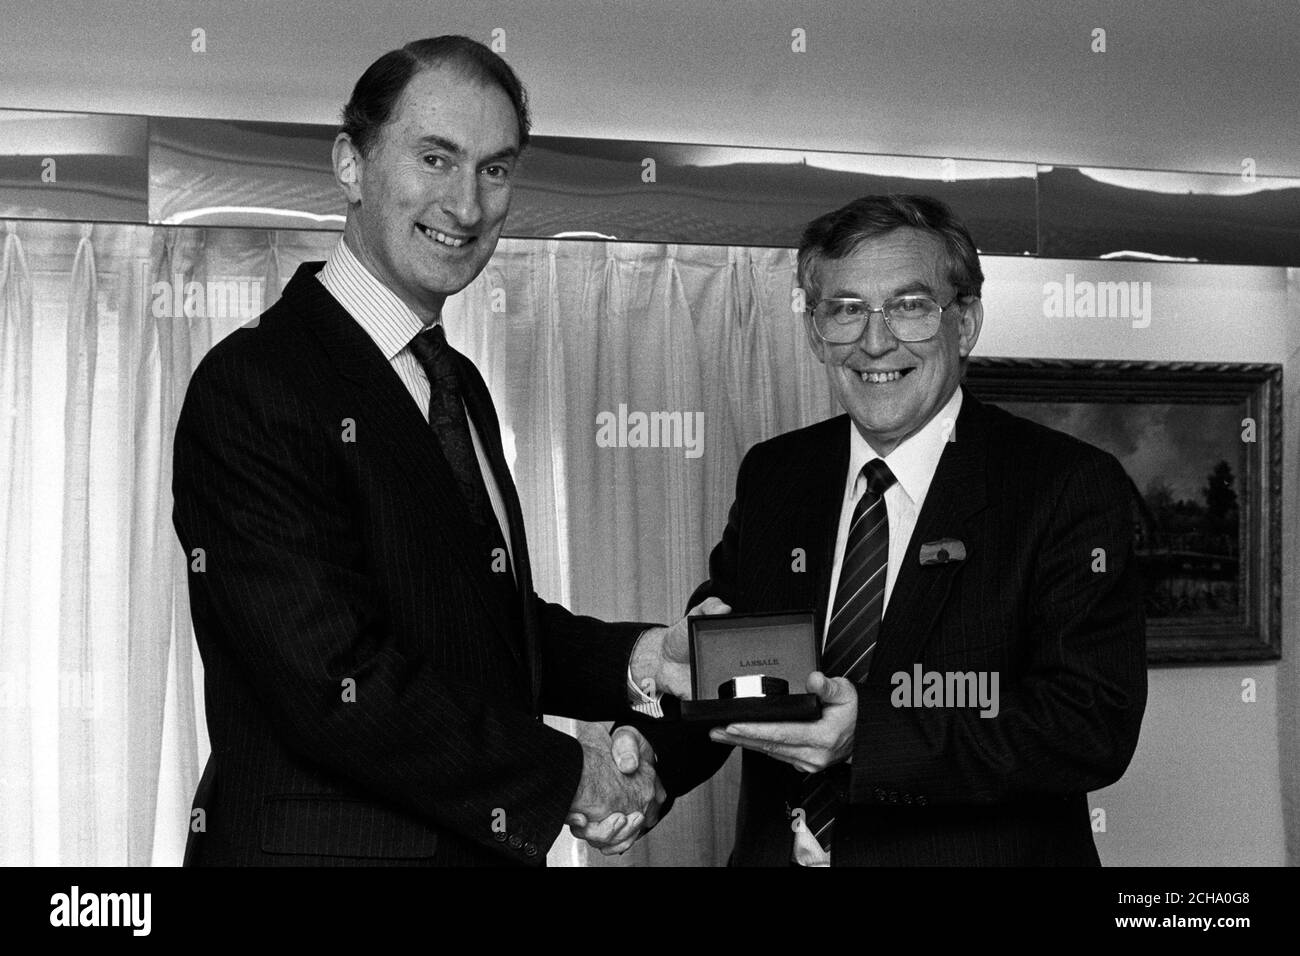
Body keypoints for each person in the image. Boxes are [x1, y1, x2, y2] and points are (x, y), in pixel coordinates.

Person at [172, 36, 691, 866]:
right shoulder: (256, 383)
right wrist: (571, 774)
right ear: (351, 164)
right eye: (435, 158)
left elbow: (473, 628)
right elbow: (331, 681)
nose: (467, 203)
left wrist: (641, 658)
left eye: (495, 169)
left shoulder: (456, 384)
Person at [630, 194, 1148, 866]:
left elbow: (1090, 724)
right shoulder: (775, 475)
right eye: (846, 309)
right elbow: (732, 672)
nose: (875, 341)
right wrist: (647, 762)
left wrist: (867, 737)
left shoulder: (1066, 486)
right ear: (816, 332)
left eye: (910, 305)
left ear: (965, 324)